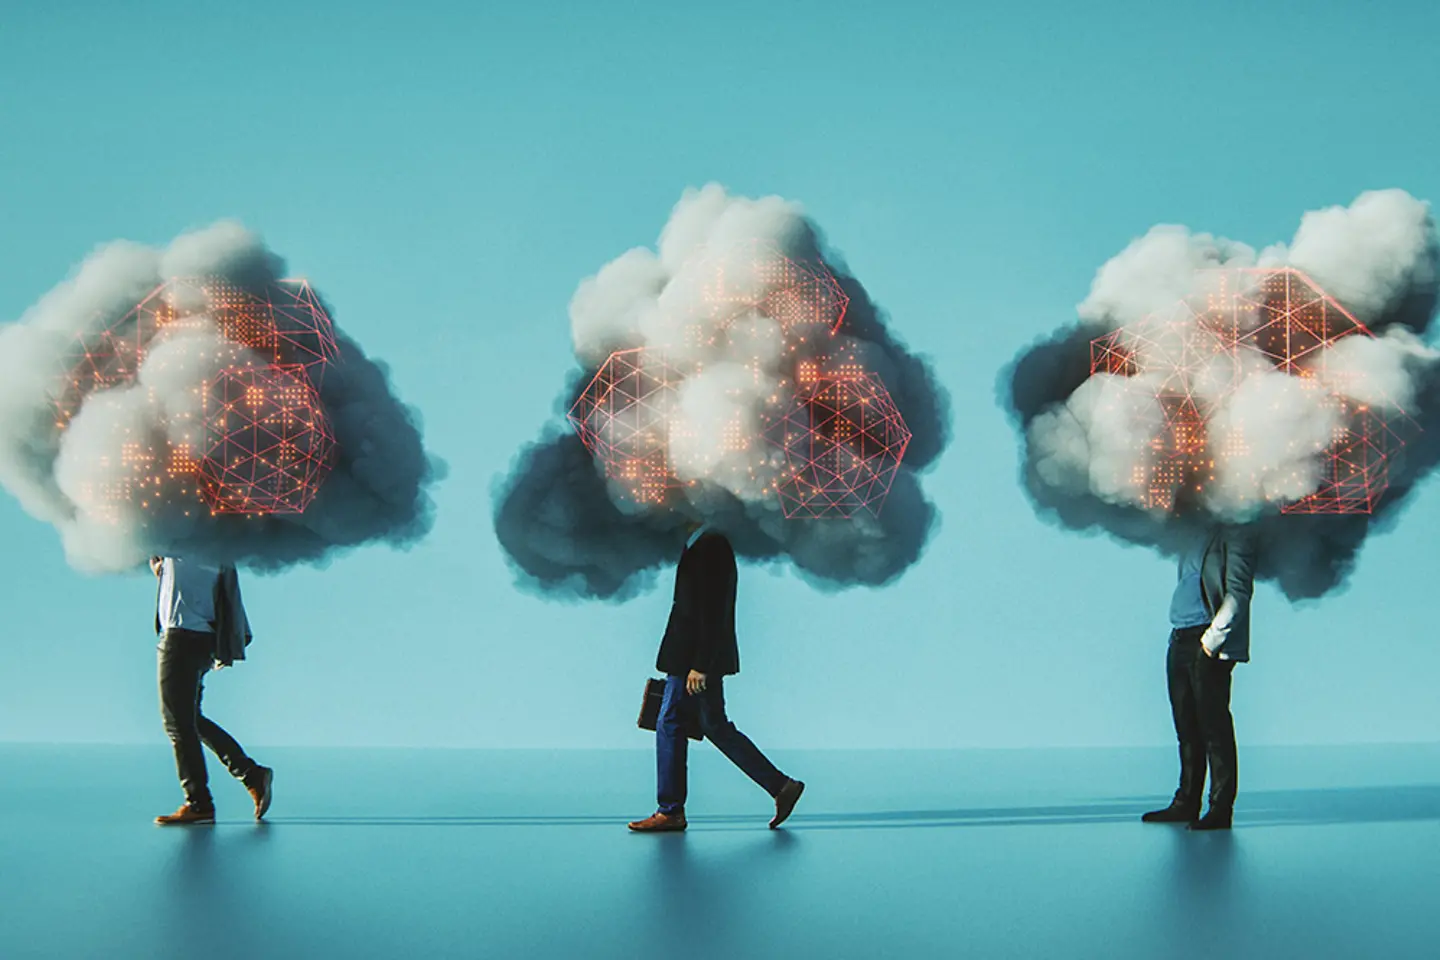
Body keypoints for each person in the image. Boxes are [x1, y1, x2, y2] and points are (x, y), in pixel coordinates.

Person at [628, 523, 804, 832]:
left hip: (692, 660)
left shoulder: (711, 545)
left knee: (669, 722)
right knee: (713, 725)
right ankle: (781, 786)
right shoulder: (701, 543)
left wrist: (701, 664)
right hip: (689, 657)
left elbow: (714, 609)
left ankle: (670, 810)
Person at [1142, 526, 1257, 831]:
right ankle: (1186, 802)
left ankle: (1220, 809)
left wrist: (1210, 643)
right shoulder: (1188, 535)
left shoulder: (1236, 535)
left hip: (1208, 642)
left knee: (1214, 728)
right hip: (1179, 637)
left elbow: (1239, 593)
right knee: (1186, 726)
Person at [149, 555, 273, 825]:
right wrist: (162, 570)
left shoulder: (182, 536)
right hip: (201, 635)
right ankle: (251, 774)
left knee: (177, 724)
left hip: (181, 637)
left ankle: (199, 802)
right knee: (190, 719)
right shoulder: (210, 542)